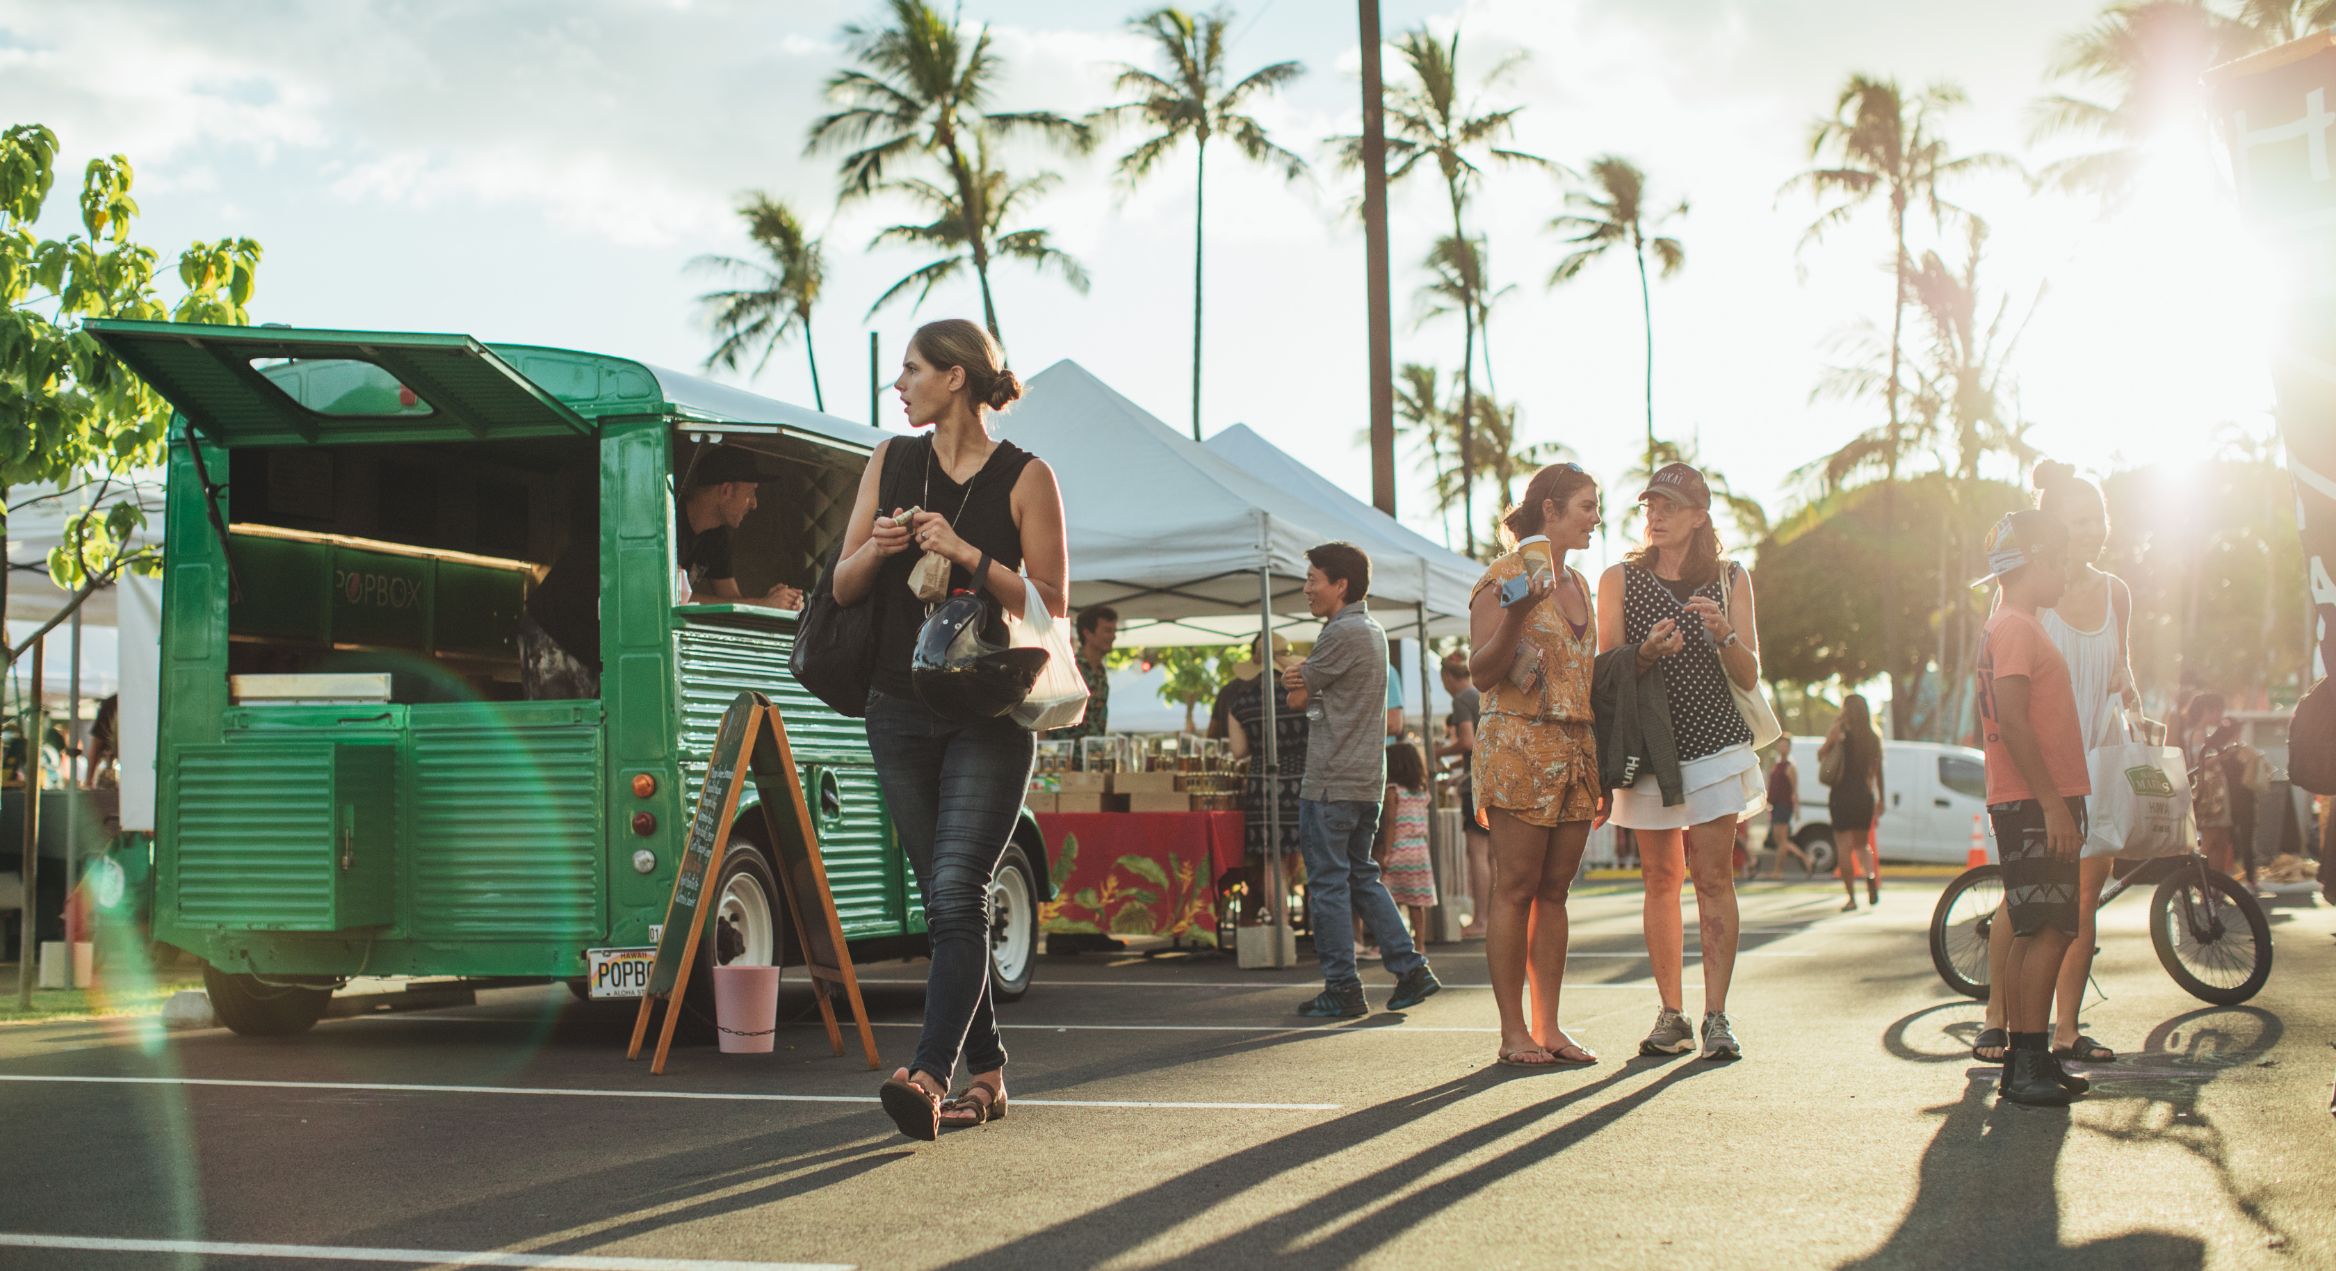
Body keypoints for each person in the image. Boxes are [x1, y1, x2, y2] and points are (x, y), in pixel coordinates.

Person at [831, 318, 1066, 1140]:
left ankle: (928, 1072)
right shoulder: (890, 462)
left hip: (990, 714)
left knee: (960, 887)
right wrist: (882, 546)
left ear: (956, 377)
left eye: (912, 369)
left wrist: (966, 552)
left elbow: (1049, 604)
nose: (899, 385)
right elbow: (845, 581)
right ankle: (990, 1073)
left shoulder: (1027, 477)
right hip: (896, 709)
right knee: (946, 901)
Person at [1975, 463, 2142, 1067]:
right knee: (2030, 904)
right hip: (2040, 770)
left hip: (2095, 752)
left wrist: (2137, 709)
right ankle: (2005, 1021)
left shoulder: (2115, 591)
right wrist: (2038, 791)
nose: (2091, 531)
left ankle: (2065, 1030)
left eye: (2097, 518)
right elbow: (2007, 697)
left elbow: (2121, 669)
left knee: (2079, 899)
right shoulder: (2024, 598)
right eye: (2078, 521)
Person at [1597, 461, 1765, 1062]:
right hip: (1648, 747)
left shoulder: (1729, 577)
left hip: (1716, 744)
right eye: (1650, 506)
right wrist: (1641, 653)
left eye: (1669, 506)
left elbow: (1750, 674)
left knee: (1714, 879)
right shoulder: (1618, 577)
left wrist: (1723, 635)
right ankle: (1672, 1013)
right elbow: (1604, 669)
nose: (1656, 516)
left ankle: (1716, 1016)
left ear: (1699, 516)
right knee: (1659, 879)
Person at [1470, 462, 1603, 1066]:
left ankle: (1549, 1028)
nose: (1595, 518)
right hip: (1518, 749)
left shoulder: (1579, 584)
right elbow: (1480, 673)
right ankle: (1512, 1031)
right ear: (1549, 510)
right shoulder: (1501, 576)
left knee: (1555, 892)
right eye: (1585, 505)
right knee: (1516, 888)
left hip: (1576, 754)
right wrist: (1519, 613)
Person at [1284, 541, 1441, 1018]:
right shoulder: (1372, 632)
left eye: (1314, 579)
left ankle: (1344, 986)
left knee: (1329, 883)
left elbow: (1297, 696)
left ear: (1340, 584)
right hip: (1365, 779)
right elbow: (1312, 694)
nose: (1307, 588)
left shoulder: (1340, 633)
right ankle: (1409, 966)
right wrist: (1306, 683)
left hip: (1331, 779)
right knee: (1360, 875)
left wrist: (1301, 677)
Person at [1970, 509, 2092, 1106]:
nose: (2068, 573)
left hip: (2028, 799)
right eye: (2061, 560)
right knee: (2048, 931)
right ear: (2036, 561)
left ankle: (2026, 1060)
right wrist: (2054, 805)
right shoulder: (2017, 626)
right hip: (2034, 801)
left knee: (2032, 928)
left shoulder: (2007, 624)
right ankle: (2028, 1065)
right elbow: (2014, 722)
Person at [1224, 632, 1306, 923]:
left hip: (1263, 782)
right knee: (1319, 857)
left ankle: (1281, 927)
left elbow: (1239, 751)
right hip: (1304, 778)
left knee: (1273, 862)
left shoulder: (1240, 701)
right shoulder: (1301, 693)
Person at [676, 447, 806, 611]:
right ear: (726, 491)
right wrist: (763, 605)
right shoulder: (669, 525)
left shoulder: (715, 534)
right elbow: (672, 601)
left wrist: (776, 604)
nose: (754, 504)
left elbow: (732, 600)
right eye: (751, 493)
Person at [1432, 650, 1491, 937]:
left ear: (1446, 676)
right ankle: (1493, 916)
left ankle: (1481, 919)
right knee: (1493, 855)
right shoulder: (1483, 692)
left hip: (1475, 785)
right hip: (1494, 778)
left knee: (1477, 853)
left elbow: (1467, 741)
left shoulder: (1461, 700)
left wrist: (1439, 752)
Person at [1820, 694, 1885, 912]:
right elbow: (1878, 771)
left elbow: (1821, 755)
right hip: (1864, 797)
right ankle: (1870, 877)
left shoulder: (1840, 731)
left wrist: (1833, 743)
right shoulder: (1874, 736)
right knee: (1862, 845)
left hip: (1841, 795)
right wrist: (1881, 799)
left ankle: (1851, 898)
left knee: (1843, 847)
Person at [1376, 741, 1437, 948]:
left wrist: (1386, 852)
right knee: (1416, 901)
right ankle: (1420, 944)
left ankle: (1396, 944)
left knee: (1391, 900)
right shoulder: (1421, 791)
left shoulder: (1393, 791)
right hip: (1419, 850)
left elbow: (1391, 822)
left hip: (1400, 848)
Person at [1760, 737, 1812, 879]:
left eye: (1785, 746)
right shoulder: (1776, 765)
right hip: (1775, 806)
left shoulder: (1790, 767)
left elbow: (1795, 790)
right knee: (1780, 841)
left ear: (1789, 748)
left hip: (1785, 806)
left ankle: (1778, 871)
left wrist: (1797, 809)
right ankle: (1806, 858)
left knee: (1782, 841)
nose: (1782, 748)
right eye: (1780, 745)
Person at [1065, 606, 1117, 741]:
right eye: (1107, 630)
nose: (1113, 636)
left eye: (1114, 631)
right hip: (1070, 757)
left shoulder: (1100, 671)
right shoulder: (1071, 669)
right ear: (1087, 633)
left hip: (1094, 755)